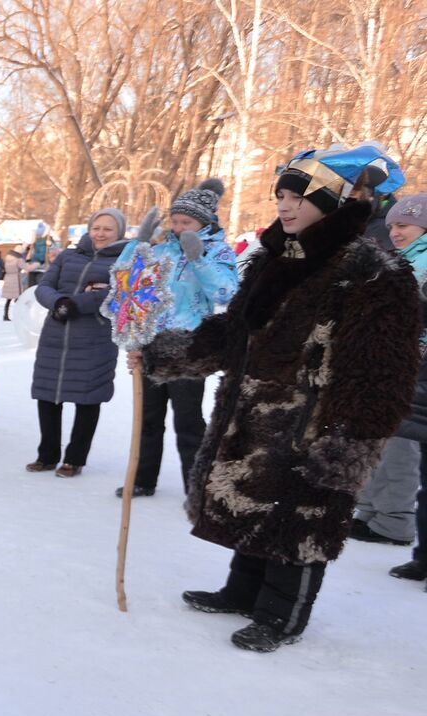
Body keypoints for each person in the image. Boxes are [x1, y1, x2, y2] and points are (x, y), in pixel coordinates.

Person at [136, 143, 420, 652]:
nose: (285, 206)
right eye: (281, 196)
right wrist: (162, 354)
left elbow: (382, 372)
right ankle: (241, 591)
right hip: (251, 411)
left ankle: (281, 616)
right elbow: (234, 331)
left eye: (298, 197)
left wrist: (346, 446)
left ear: (331, 201)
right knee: (250, 499)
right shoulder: (275, 258)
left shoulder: (373, 272)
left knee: (299, 518)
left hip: (318, 421)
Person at [115, 179, 239, 499]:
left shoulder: (219, 251)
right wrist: (137, 243)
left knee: (188, 421)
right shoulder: (162, 247)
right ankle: (142, 479)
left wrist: (199, 260)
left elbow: (226, 292)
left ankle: (195, 486)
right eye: (176, 220)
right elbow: (124, 278)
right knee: (147, 418)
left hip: (189, 345)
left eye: (187, 222)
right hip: (151, 340)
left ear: (205, 222)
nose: (179, 227)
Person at [28, 208, 129, 477]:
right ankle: (47, 455)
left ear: (119, 232)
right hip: (56, 335)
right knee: (48, 395)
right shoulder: (68, 255)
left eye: (108, 229)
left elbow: (116, 295)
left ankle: (75, 458)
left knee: (88, 399)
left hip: (94, 339)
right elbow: (44, 286)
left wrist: (76, 302)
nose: (101, 233)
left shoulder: (126, 262)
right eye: (97, 227)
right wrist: (59, 302)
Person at [372, 194, 427, 569]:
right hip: (393, 361)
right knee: (386, 438)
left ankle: (394, 521)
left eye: (403, 225)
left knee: (405, 445)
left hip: (417, 365)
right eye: (391, 225)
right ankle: (378, 516)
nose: (394, 231)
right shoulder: (401, 258)